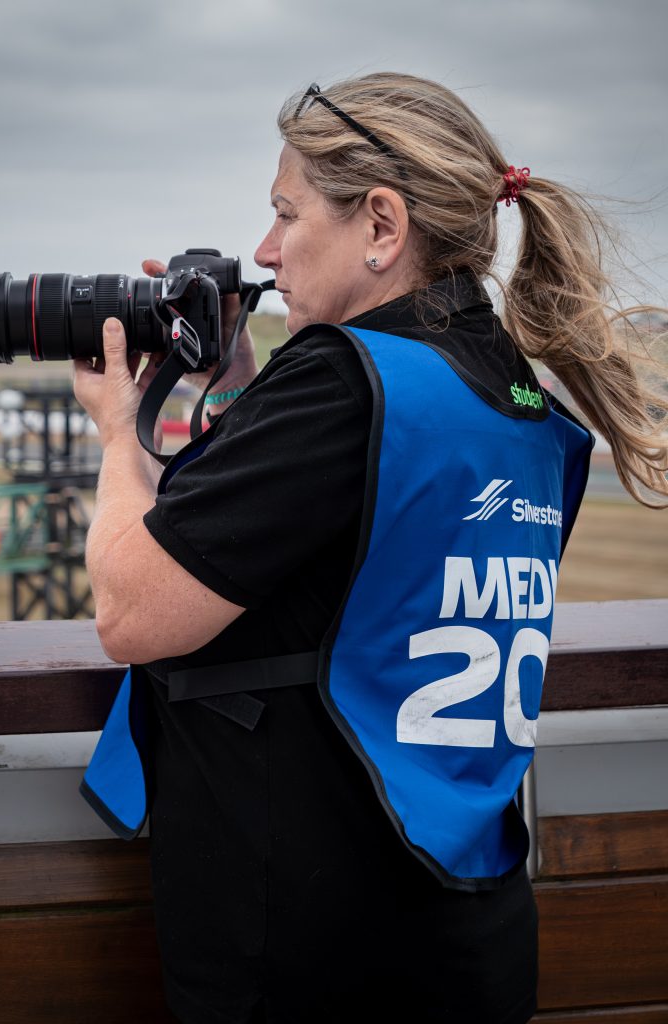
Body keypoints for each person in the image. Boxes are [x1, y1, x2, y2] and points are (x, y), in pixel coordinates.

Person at [73, 73, 668, 1024]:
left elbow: (132, 612)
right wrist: (236, 392)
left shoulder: (342, 384)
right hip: (465, 937)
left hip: (313, 954)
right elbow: (353, 569)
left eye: (286, 213)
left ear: (381, 227)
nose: (265, 252)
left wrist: (115, 431)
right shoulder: (511, 395)